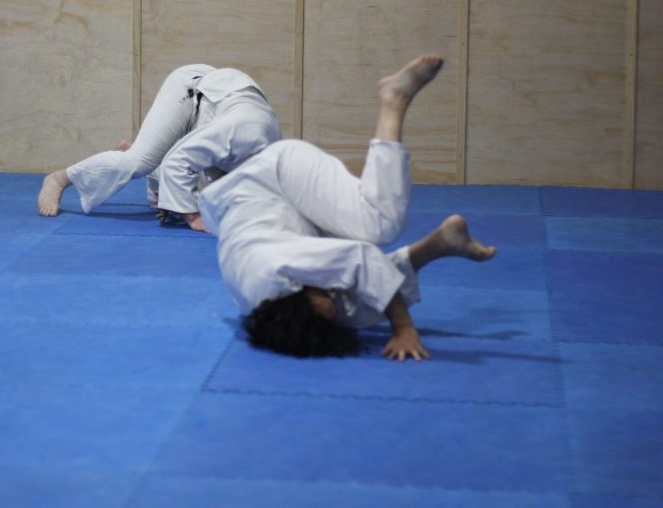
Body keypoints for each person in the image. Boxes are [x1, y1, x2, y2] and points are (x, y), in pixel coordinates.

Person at [197, 56, 497, 360]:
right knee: (346, 309)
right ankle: (440, 244)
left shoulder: (276, 268)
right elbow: (339, 298)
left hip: (277, 179)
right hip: (271, 215)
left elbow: (362, 258)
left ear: (292, 297)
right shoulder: (270, 311)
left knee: (379, 225)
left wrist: (404, 329)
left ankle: (394, 98)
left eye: (320, 294)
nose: (330, 292)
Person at [38, 64, 281, 232]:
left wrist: (175, 202)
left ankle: (137, 148)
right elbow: (177, 162)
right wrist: (191, 215)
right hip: (191, 89)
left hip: (219, 106)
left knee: (203, 199)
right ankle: (60, 179)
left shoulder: (274, 163)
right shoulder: (235, 134)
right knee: (138, 163)